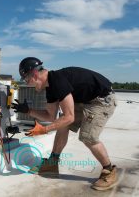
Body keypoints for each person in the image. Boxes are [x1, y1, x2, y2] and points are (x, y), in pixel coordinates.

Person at [11, 57, 118, 191]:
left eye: (26, 80)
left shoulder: (57, 81)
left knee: (88, 137)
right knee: (62, 123)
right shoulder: (50, 88)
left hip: (102, 100)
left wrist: (44, 130)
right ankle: (52, 163)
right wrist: (28, 110)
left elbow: (69, 117)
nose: (27, 84)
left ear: (34, 74)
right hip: (85, 100)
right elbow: (51, 117)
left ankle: (109, 171)